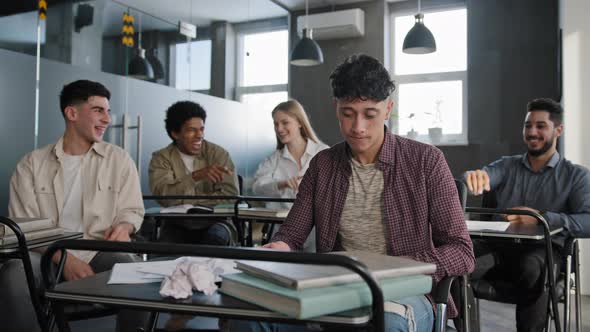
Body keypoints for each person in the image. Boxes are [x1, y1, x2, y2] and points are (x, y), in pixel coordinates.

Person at [229, 54, 475, 332]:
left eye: (370, 115)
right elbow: (292, 234)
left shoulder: (426, 161)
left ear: (388, 109)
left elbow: (462, 251)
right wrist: (280, 247)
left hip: (406, 291)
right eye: (348, 114)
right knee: (251, 315)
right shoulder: (323, 165)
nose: (358, 127)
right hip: (335, 287)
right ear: (337, 108)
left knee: (387, 323)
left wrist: (406, 266)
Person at [1, 80, 147, 332]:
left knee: (135, 273)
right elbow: (22, 231)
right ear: (72, 113)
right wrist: (64, 259)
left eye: (108, 111)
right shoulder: (31, 165)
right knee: (14, 274)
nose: (107, 119)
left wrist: (124, 226)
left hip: (98, 251)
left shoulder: (119, 159)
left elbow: (132, 209)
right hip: (44, 255)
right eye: (98, 110)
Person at [464, 98, 590, 332]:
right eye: (527, 125)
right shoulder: (506, 166)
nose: (532, 132)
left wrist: (543, 218)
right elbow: (485, 174)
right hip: (498, 251)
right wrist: (474, 176)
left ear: (558, 130)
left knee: (534, 268)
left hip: (545, 254)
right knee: (456, 261)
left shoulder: (576, 176)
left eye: (540, 126)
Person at [149, 100, 239, 246]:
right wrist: (195, 177)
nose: (199, 135)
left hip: (215, 221)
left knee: (215, 238)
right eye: (191, 130)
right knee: (164, 249)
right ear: (175, 133)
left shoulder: (218, 154)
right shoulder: (161, 158)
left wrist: (186, 201)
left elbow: (229, 197)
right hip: (176, 223)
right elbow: (164, 196)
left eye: (202, 129)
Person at [252, 99, 328, 252]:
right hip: (283, 233)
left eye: (285, 122)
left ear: (300, 122)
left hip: (316, 232)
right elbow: (257, 188)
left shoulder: (323, 153)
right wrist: (282, 183)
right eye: (276, 124)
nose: (279, 128)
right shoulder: (274, 159)